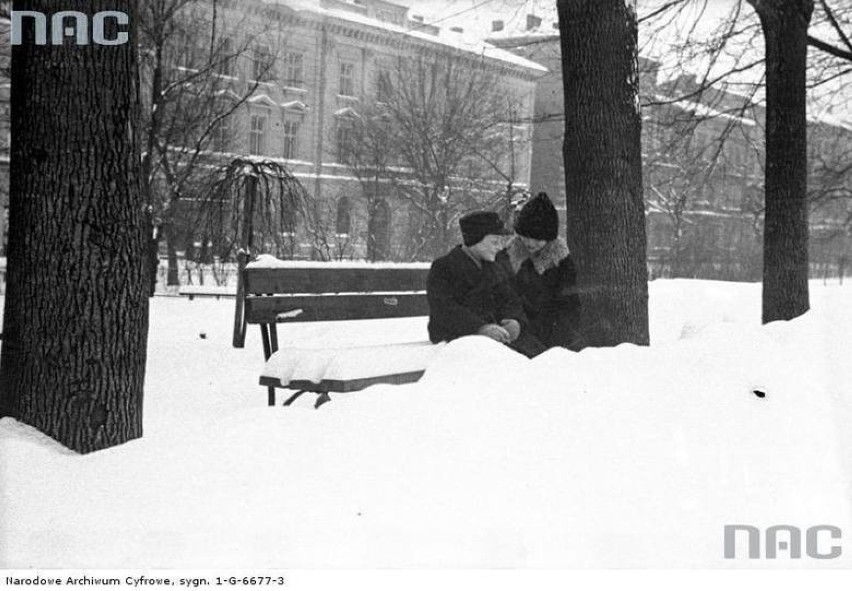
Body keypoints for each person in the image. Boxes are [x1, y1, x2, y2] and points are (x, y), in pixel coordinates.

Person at [427, 211, 546, 358]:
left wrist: (516, 322)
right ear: (475, 240)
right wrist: (479, 328)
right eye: (494, 242)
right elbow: (444, 308)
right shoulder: (444, 267)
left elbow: (510, 300)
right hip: (460, 337)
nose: (499, 247)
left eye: (501, 242)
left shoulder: (494, 267)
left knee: (544, 359)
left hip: (497, 335)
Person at [498, 192, 583, 351]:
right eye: (525, 237)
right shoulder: (506, 256)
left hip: (552, 336)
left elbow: (569, 308)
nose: (530, 243)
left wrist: (557, 344)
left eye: (537, 239)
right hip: (515, 333)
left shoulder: (561, 263)